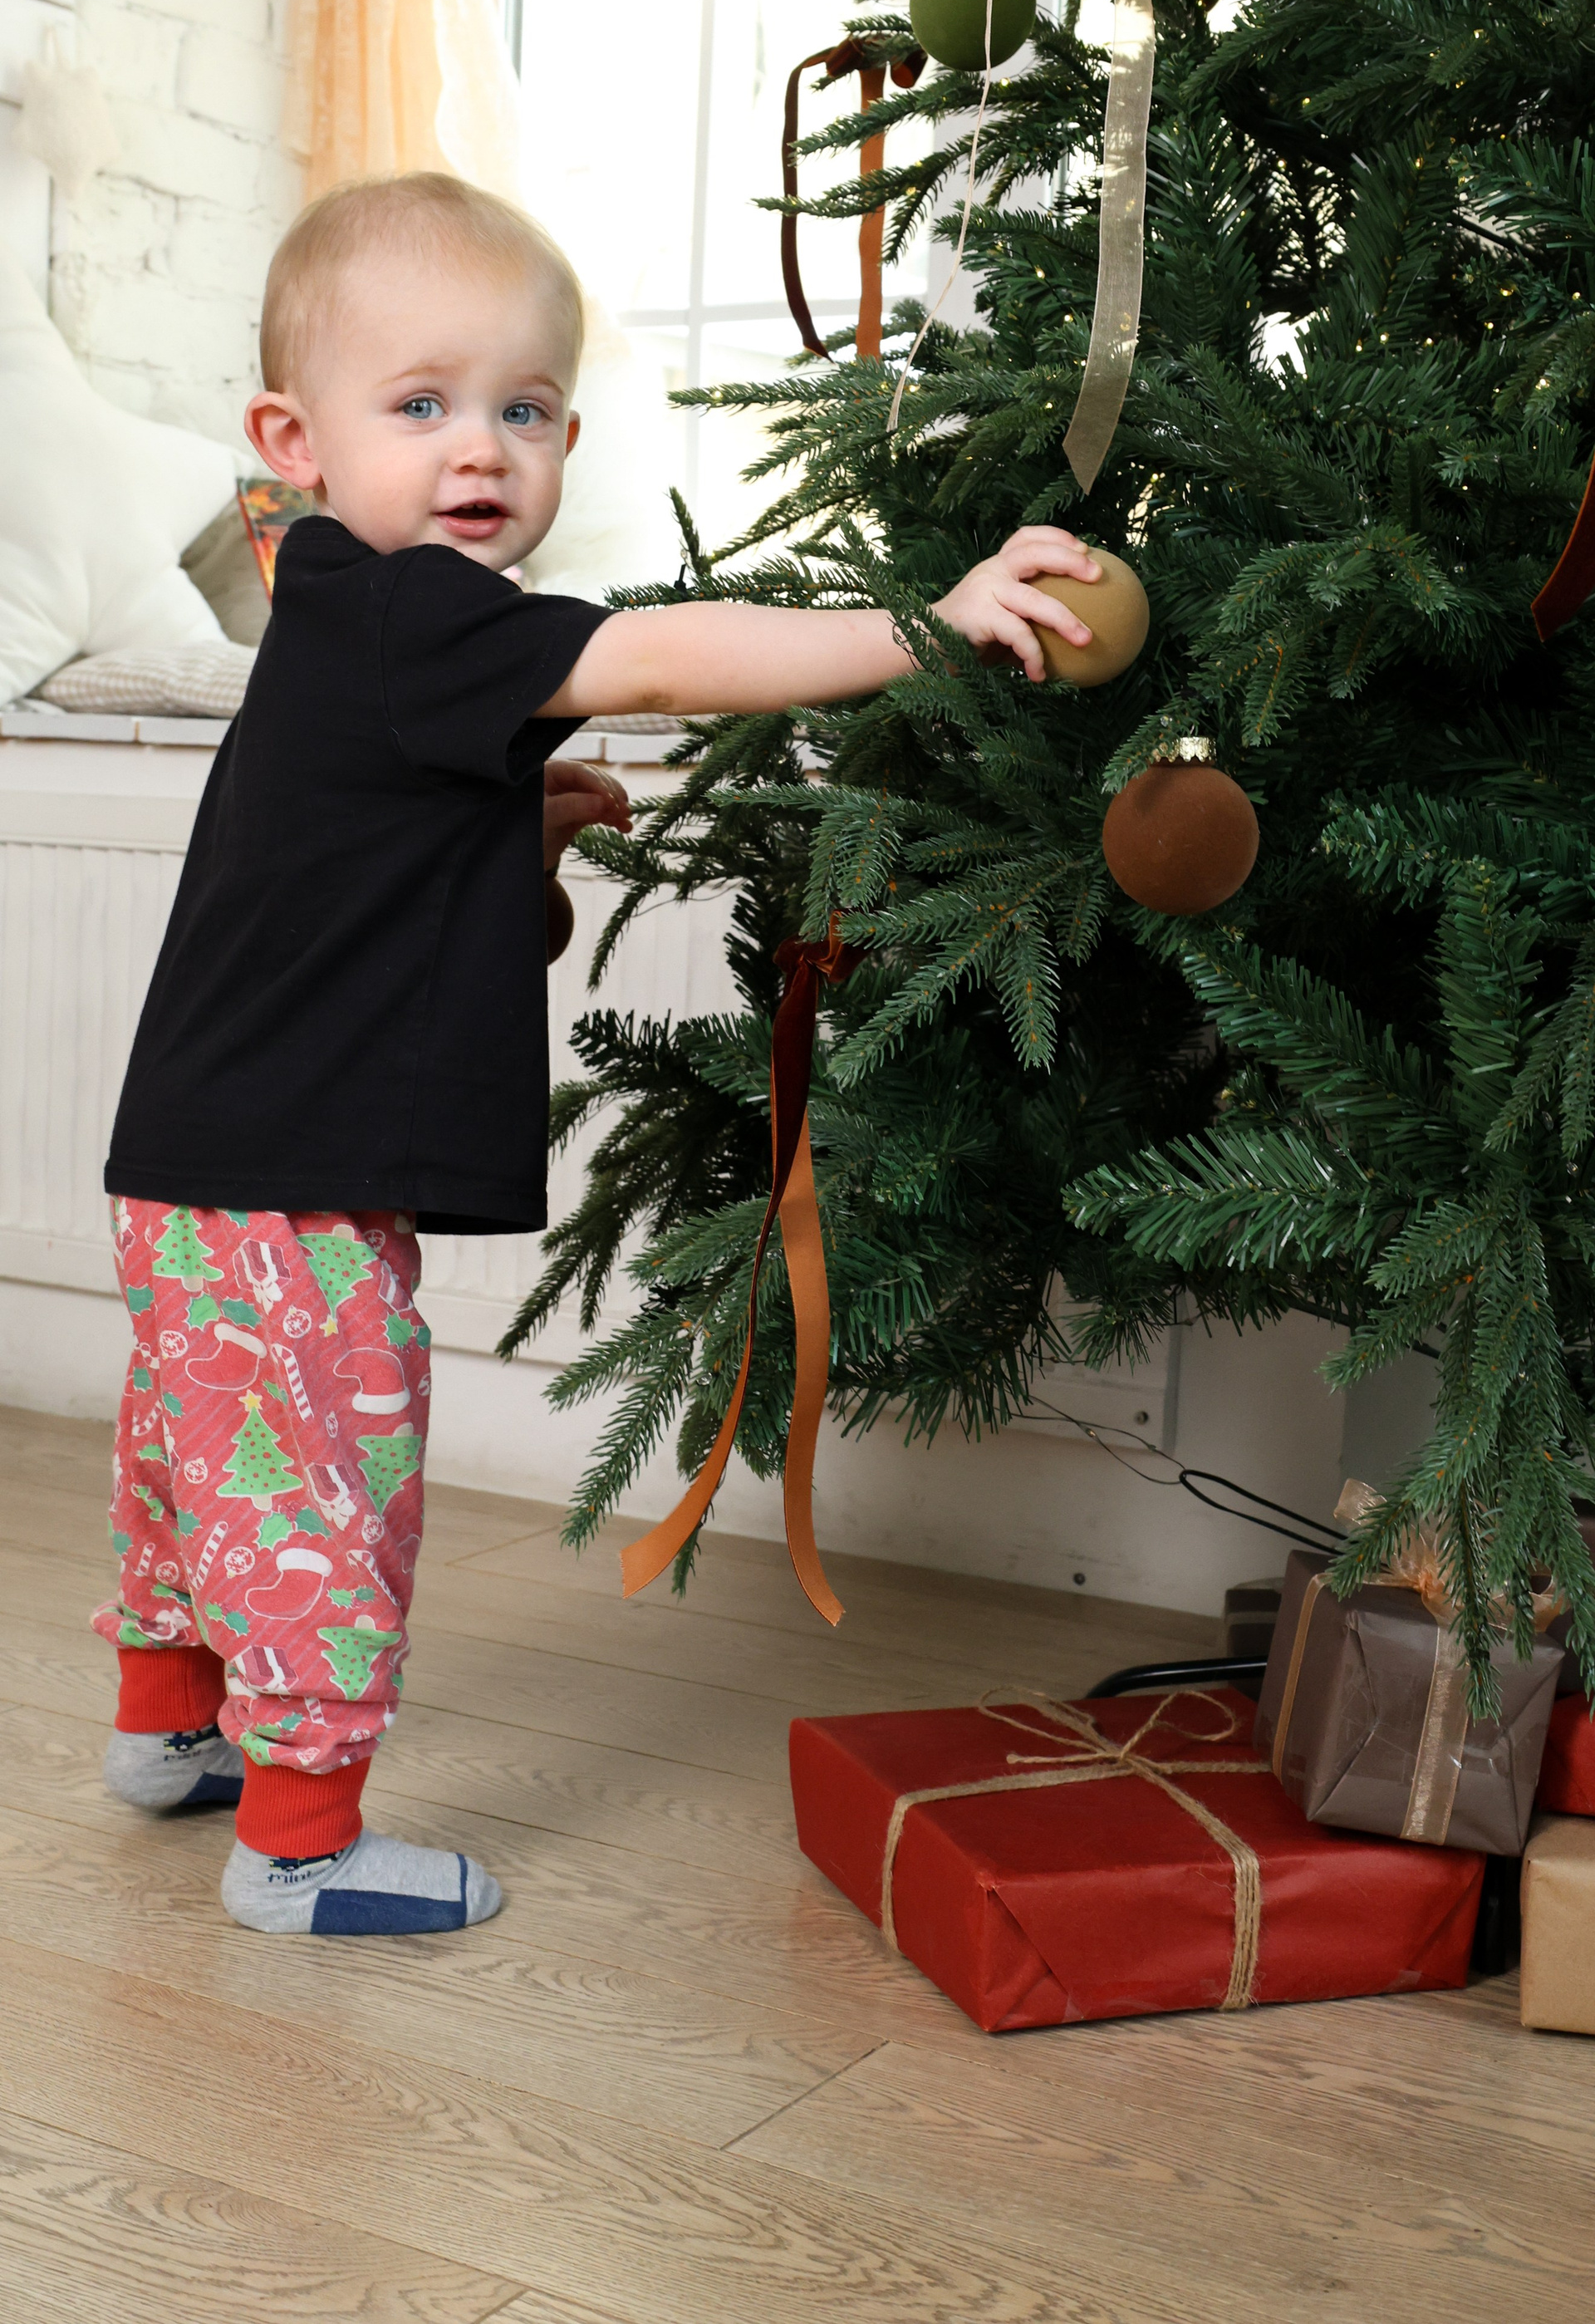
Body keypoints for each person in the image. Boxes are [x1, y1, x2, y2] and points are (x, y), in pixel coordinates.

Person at [95, 171, 1102, 1935]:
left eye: (526, 408)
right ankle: (299, 1845)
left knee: (212, 1452)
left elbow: (380, 928)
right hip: (286, 1180)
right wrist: (919, 626)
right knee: (326, 1483)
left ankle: (168, 1726)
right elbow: (649, 655)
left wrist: (511, 844)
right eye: (421, 404)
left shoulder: (350, 622)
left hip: (212, 1159)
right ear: (294, 441)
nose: (479, 448)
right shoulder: (418, 612)